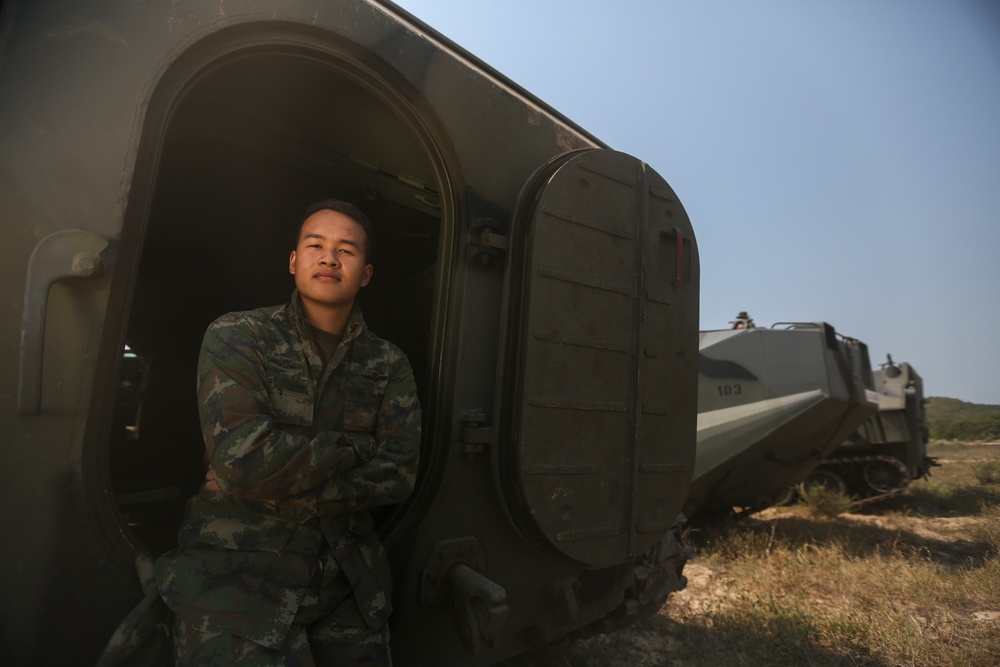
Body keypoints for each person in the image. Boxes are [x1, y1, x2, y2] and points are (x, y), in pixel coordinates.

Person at [154, 199, 421, 665]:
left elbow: (397, 474)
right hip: (237, 581)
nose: (330, 257)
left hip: (349, 586)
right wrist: (355, 448)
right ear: (294, 261)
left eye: (346, 250)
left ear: (366, 274)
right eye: (315, 244)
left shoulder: (388, 364)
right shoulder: (239, 335)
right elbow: (241, 461)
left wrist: (275, 488)